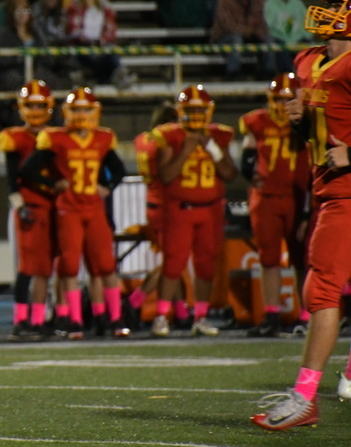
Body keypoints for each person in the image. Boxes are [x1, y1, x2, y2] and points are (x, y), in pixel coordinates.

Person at [252, 0, 351, 431]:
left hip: (345, 192)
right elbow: (317, 130)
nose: (326, 13)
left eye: (337, 6)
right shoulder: (308, 61)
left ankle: (304, 397)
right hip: (327, 188)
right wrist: (299, 122)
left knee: (322, 290)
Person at [21, 87, 128, 339]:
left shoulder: (102, 138)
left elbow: (119, 169)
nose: (81, 115)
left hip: (94, 208)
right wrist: (53, 184)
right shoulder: (56, 138)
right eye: (76, 109)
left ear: (94, 111)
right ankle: (75, 320)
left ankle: (115, 318)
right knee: (69, 266)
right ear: (67, 112)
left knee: (106, 265)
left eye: (85, 109)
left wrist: (108, 186)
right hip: (69, 209)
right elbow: (28, 169)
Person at [150, 85, 237, 338]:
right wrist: (185, 153)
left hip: (210, 210)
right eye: (191, 110)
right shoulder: (170, 136)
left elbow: (230, 174)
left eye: (200, 110)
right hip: (180, 209)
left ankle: (201, 317)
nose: (196, 115)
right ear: (180, 111)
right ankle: (160, 316)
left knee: (206, 266)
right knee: (173, 264)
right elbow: (166, 176)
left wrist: (213, 151)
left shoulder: (218, 136)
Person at [239, 73, 311, 338]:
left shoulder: (308, 121)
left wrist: (308, 208)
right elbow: (246, 158)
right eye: (278, 99)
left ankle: (307, 315)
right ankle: (271, 315)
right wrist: (251, 172)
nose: (282, 105)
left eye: (287, 99)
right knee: (269, 259)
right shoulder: (257, 121)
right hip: (267, 198)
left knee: (303, 259)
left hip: (297, 197)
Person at [0, 79, 57, 341]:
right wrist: (19, 205)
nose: (35, 110)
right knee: (26, 267)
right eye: (30, 105)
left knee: (45, 268)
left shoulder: (58, 136)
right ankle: (20, 320)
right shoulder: (15, 137)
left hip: (53, 208)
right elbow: (12, 178)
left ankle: (39, 319)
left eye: (39, 105)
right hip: (29, 207)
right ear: (21, 107)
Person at [128, 102, 191, 330]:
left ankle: (181, 310)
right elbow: (169, 172)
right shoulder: (164, 141)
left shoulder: (142, 139)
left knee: (175, 262)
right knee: (172, 263)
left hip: (153, 203)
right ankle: (134, 301)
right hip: (167, 206)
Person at [65, 0, 136, 89]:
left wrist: (102, 41)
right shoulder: (75, 5)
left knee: (110, 49)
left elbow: (110, 29)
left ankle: (120, 76)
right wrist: (86, 40)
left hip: (100, 45)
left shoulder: (105, 6)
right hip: (82, 44)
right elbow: (73, 29)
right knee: (76, 51)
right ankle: (114, 77)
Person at [210, 0, 276, 80]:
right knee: (236, 39)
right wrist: (247, 31)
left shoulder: (257, 0)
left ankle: (268, 72)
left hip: (250, 37)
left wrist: (258, 32)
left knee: (268, 38)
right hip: (224, 38)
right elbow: (228, 25)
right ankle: (233, 73)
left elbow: (261, 22)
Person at [264, 0, 314, 72]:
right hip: (278, 36)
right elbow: (269, 23)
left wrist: (305, 33)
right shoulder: (270, 4)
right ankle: (284, 72)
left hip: (298, 36)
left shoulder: (297, 3)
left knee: (308, 47)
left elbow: (307, 19)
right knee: (280, 47)